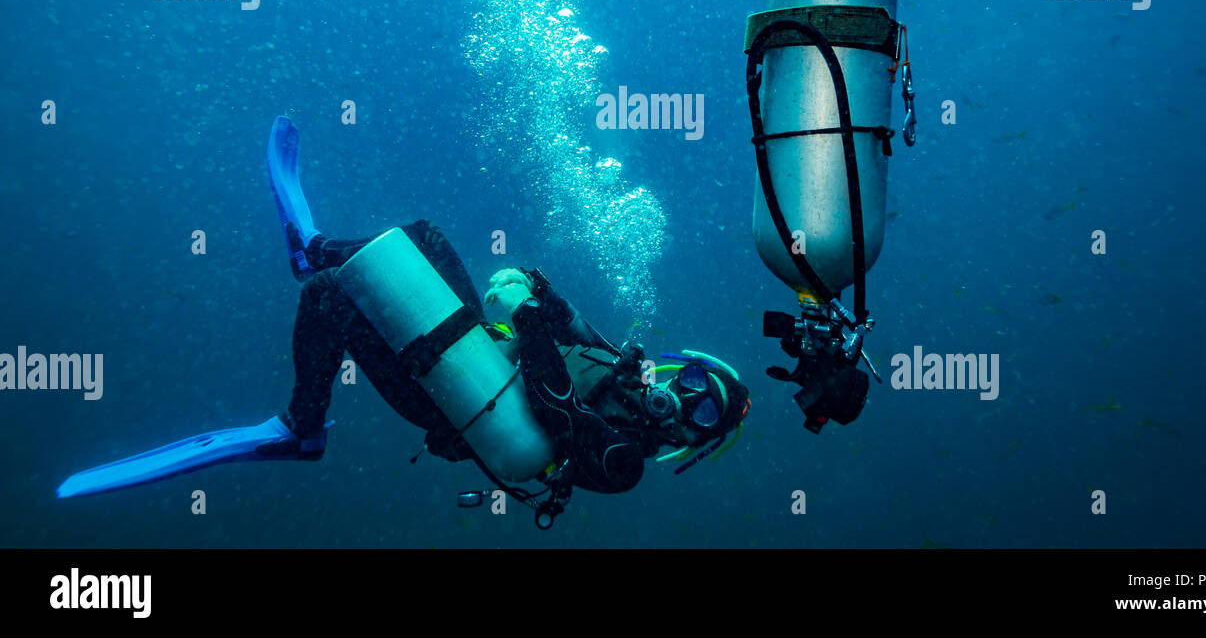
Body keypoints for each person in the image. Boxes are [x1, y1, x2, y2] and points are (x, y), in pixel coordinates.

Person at [57, 117, 750, 528]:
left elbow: (557, 410)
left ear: (692, 443)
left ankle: (301, 430)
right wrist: (543, 293)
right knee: (423, 235)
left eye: (702, 412)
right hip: (477, 350)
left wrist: (529, 320)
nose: (683, 397)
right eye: (694, 381)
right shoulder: (625, 367)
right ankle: (311, 247)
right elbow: (571, 326)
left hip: (450, 397)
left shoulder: (622, 463)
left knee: (329, 299)